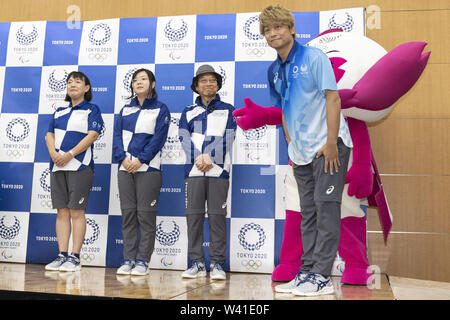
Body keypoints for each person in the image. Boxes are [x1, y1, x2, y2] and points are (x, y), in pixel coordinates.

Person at [258, 5, 353, 296]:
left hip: (328, 147)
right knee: (308, 212)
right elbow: (284, 109)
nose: (273, 34)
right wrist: (291, 143)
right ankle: (308, 271)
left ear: (291, 29)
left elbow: (332, 98)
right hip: (300, 153)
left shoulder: (314, 57)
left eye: (278, 27)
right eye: (267, 30)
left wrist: (331, 143)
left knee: (326, 210)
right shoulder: (273, 70)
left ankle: (322, 277)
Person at [178, 65, 236, 280]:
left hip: (218, 170)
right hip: (194, 171)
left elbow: (229, 136)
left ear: (218, 84)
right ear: (196, 86)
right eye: (203, 81)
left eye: (212, 80)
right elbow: (183, 137)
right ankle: (196, 263)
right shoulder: (187, 111)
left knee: (217, 217)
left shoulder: (229, 109)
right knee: (193, 218)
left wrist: (211, 157)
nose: (208, 84)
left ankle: (218, 264)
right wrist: (199, 157)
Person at [113, 68, 170, 276]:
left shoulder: (161, 109)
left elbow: (158, 139)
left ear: (152, 84)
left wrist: (140, 159)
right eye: (135, 79)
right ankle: (128, 259)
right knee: (128, 215)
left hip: (149, 169)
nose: (138, 82)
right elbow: (117, 138)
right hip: (124, 168)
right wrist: (123, 158)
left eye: (143, 79)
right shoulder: (124, 109)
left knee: (145, 216)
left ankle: (142, 261)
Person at [45, 71, 104, 272]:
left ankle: (75, 257)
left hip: (80, 166)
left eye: (77, 82)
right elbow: (49, 135)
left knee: (76, 212)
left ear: (87, 88)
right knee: (62, 212)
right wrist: (54, 153)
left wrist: (69, 154)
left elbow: (93, 135)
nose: (72, 85)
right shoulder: (59, 111)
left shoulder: (92, 109)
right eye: (69, 82)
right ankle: (62, 254)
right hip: (57, 166)